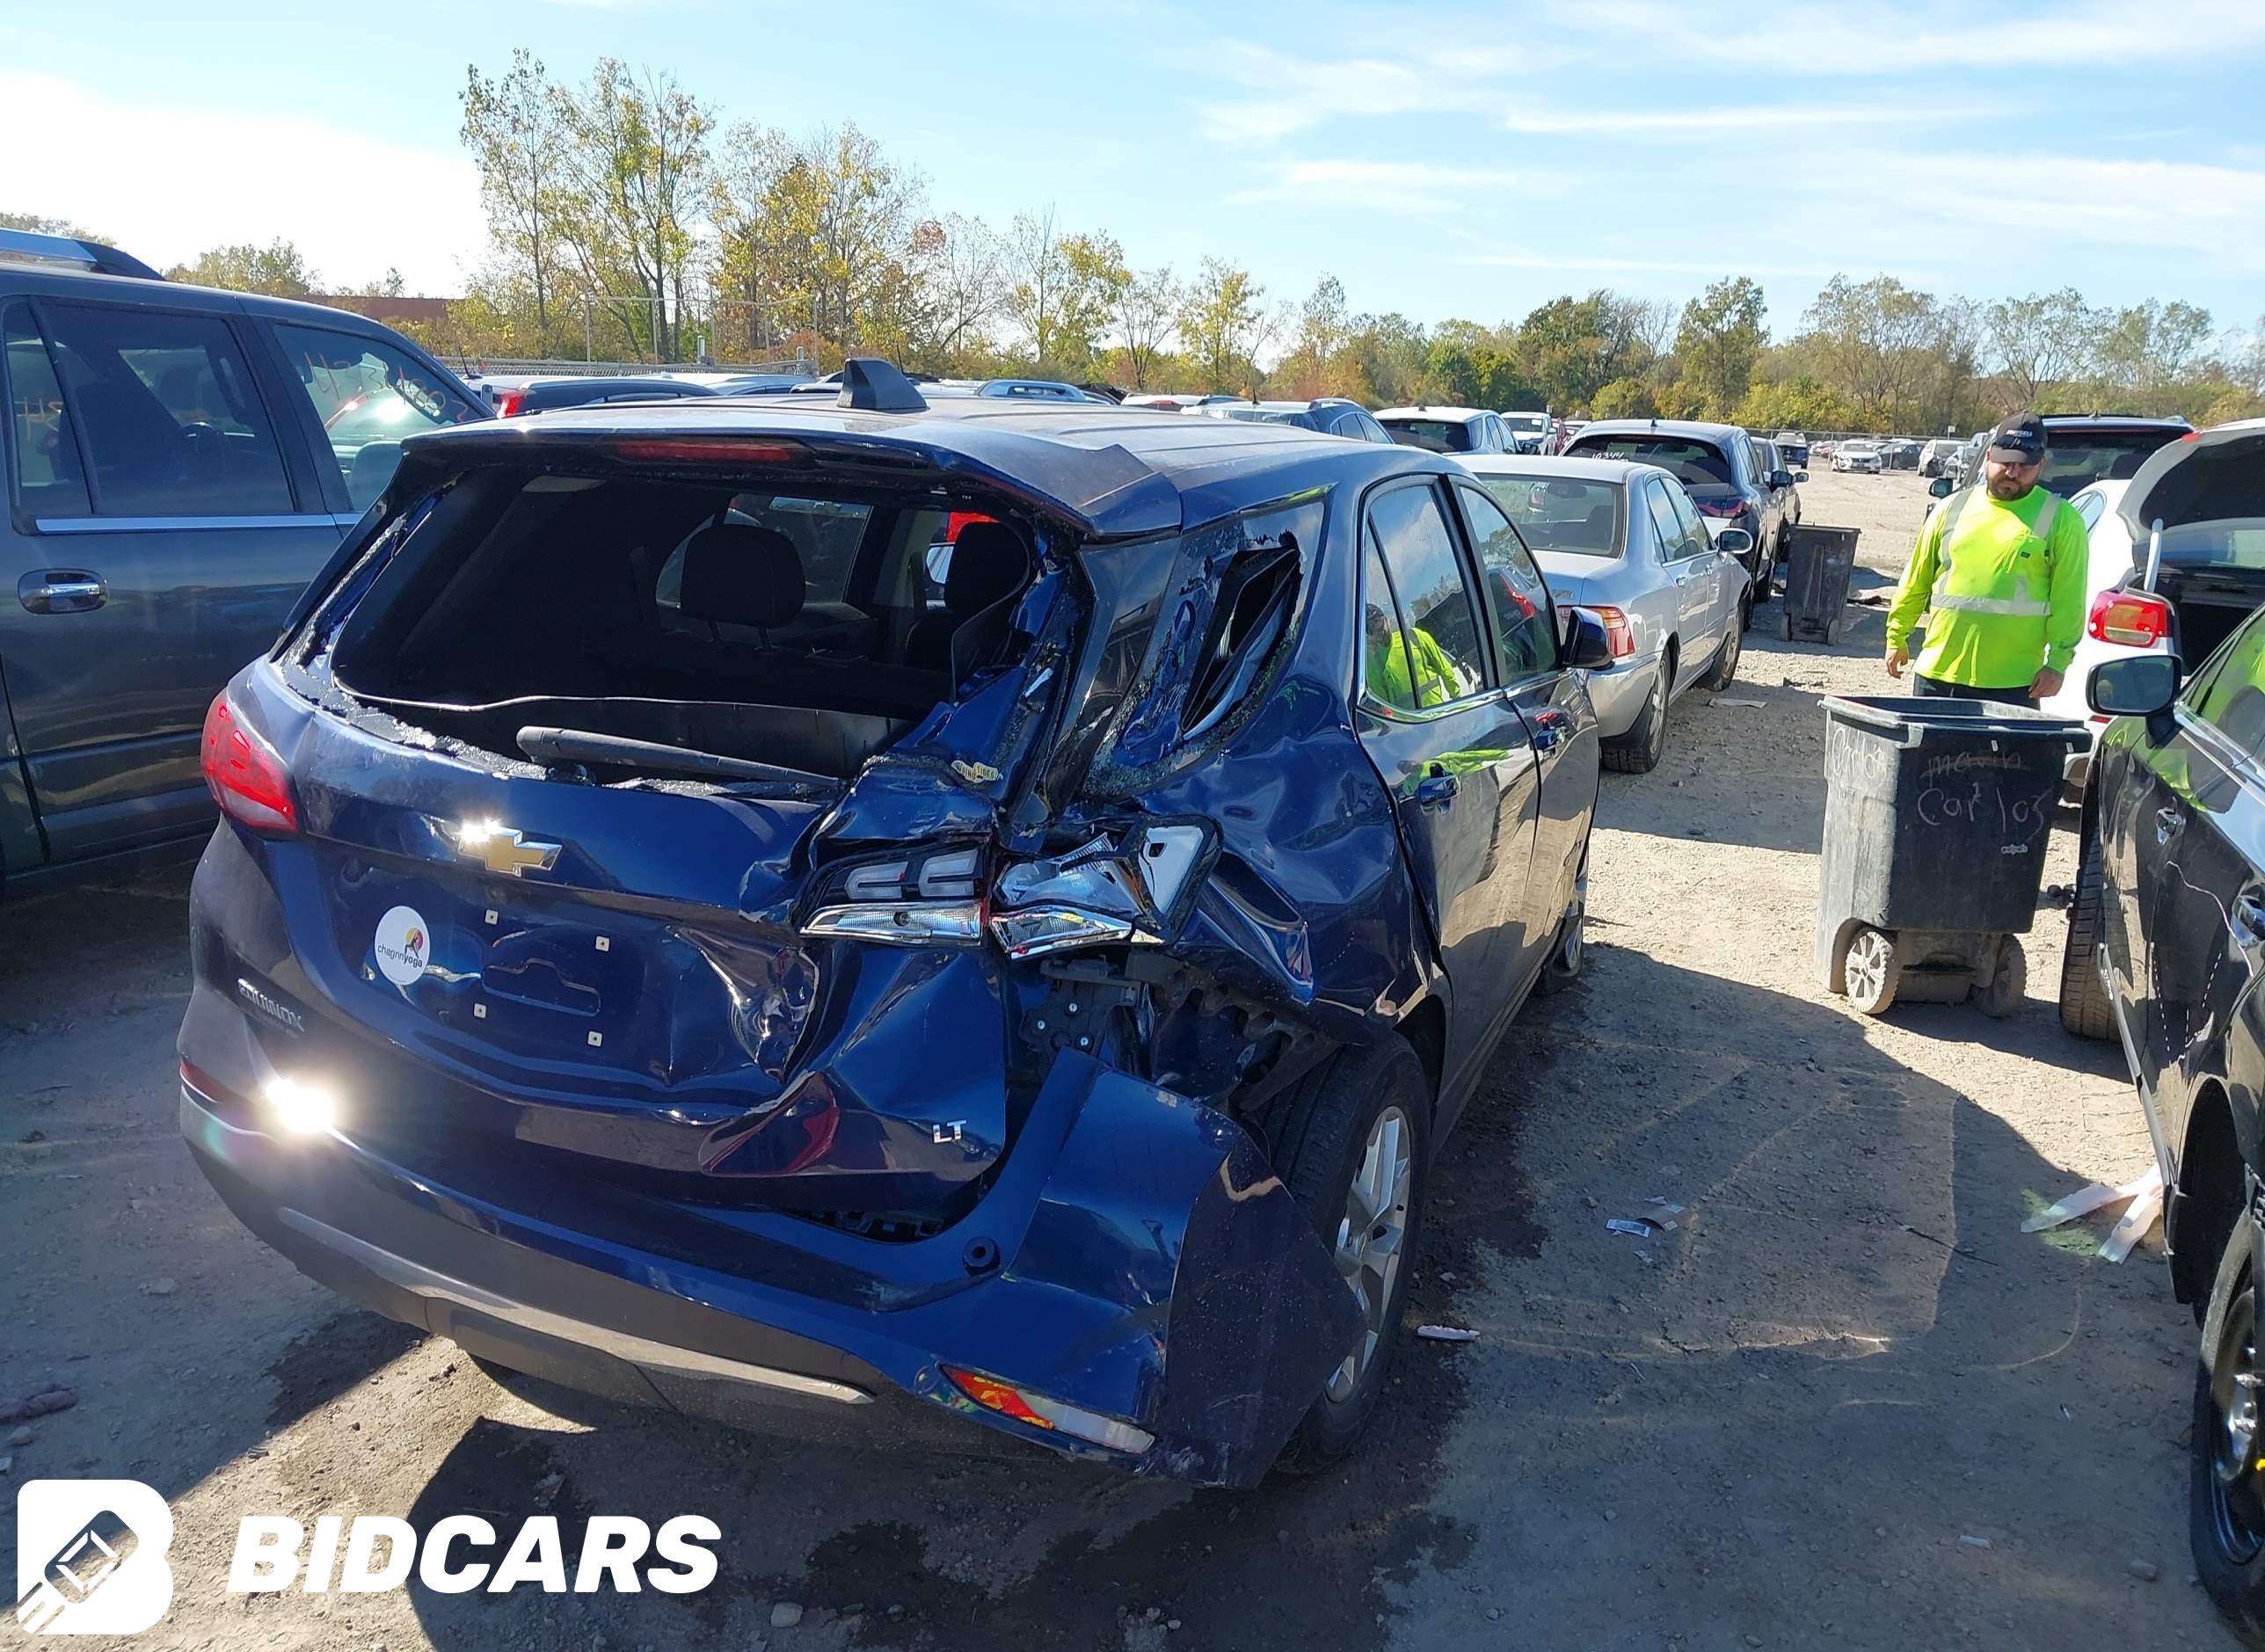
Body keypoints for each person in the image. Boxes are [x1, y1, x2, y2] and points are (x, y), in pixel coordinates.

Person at [1883, 411, 2089, 705]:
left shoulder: (2062, 520)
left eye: (2024, 466)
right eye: (2005, 462)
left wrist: (2058, 663)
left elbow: (2069, 601)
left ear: (2041, 465)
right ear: (1988, 457)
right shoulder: (1951, 509)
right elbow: (1916, 580)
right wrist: (1896, 635)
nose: (2012, 472)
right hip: (1939, 676)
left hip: (2016, 684)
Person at [1366, 603, 1464, 710]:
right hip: (1409, 724)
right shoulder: (1374, 664)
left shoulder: (1416, 637)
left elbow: (1445, 670)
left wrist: (1457, 701)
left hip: (1437, 716)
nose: (1380, 634)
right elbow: (1383, 706)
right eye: (1373, 633)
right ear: (1368, 636)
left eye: (1380, 627)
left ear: (1386, 620)